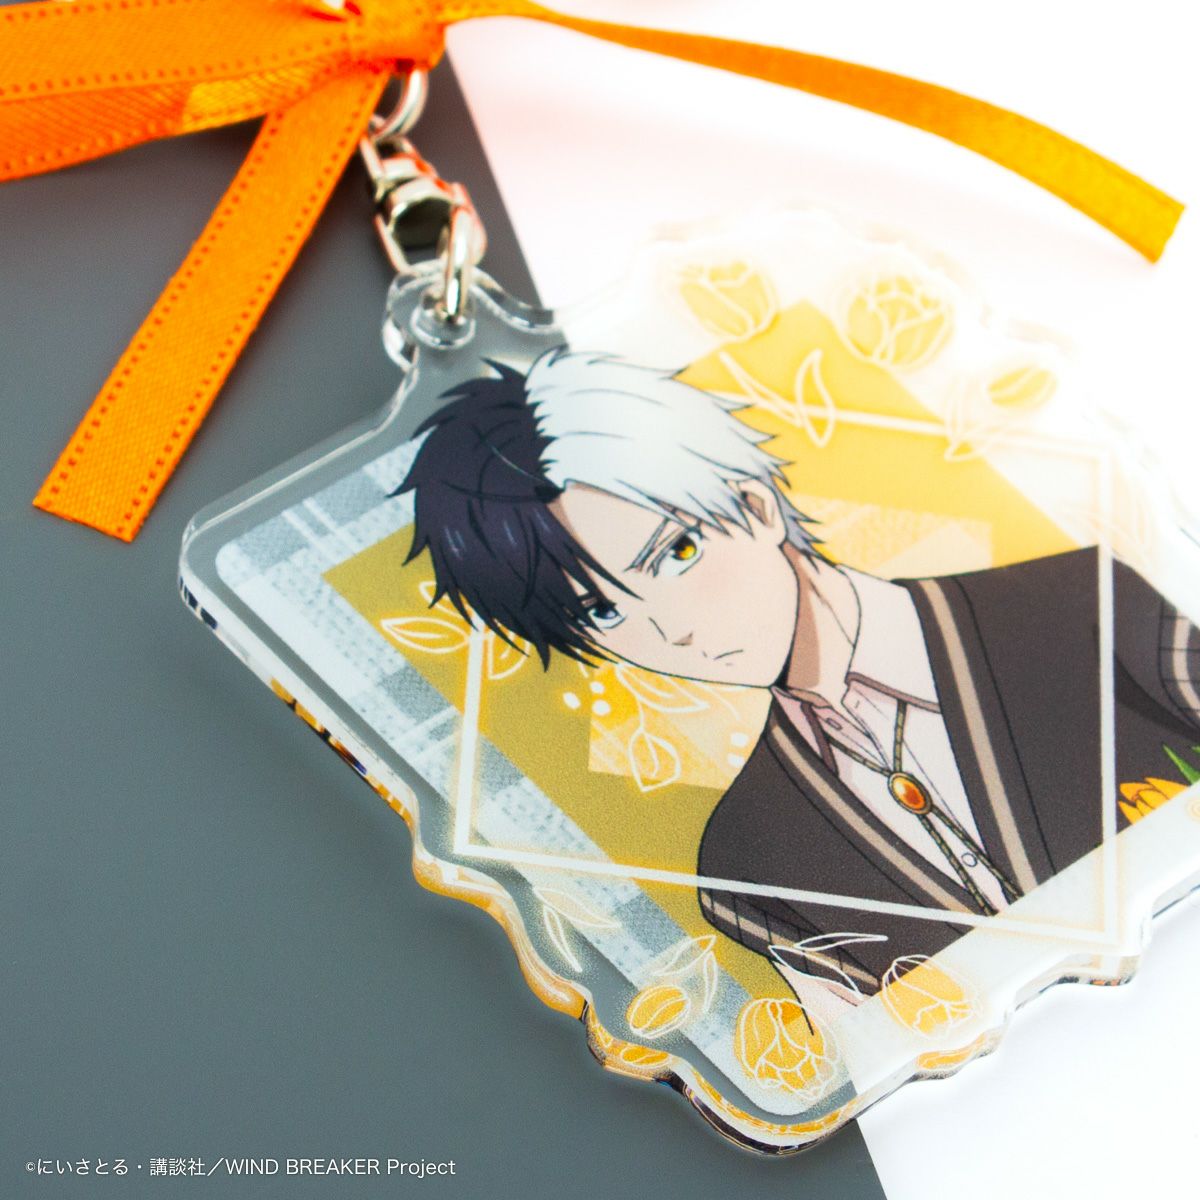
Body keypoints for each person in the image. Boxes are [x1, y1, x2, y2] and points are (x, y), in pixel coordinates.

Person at [395, 349, 1200, 1016]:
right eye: (604, 613)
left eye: (676, 553)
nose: (670, 629)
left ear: (755, 507)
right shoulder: (745, 866)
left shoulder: (1085, 606)